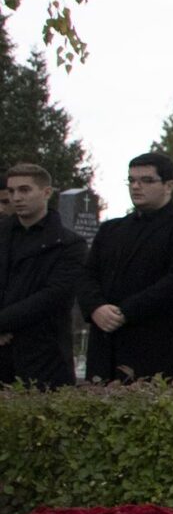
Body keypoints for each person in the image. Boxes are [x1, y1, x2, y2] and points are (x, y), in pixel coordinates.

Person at [79, 151, 173, 381]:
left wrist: (125, 312)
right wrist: (95, 307)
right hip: (107, 343)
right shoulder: (111, 229)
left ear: (169, 185)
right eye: (132, 180)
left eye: (146, 180)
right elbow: (87, 274)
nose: (136, 186)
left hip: (159, 344)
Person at [1, 162, 83, 388]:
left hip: (43, 355)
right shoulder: (3, 234)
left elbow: (54, 296)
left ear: (46, 192)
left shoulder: (68, 244)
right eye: (11, 191)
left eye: (24, 190)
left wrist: (3, 323)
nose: (16, 197)